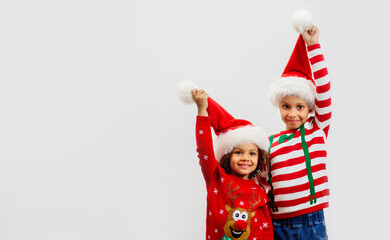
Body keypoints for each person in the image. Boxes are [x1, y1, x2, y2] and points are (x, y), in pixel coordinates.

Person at [179, 84, 274, 240]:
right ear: (227, 156)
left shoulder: (259, 191)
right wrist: (202, 110)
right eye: (238, 152)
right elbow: (204, 150)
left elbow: (266, 228)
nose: (245, 158)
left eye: (252, 153)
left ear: (259, 158)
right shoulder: (216, 178)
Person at [267, 24, 331, 239]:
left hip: (311, 221)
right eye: (286, 106)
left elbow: (323, 88)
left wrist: (312, 46)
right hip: (276, 223)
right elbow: (263, 184)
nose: (293, 113)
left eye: (300, 107)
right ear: (279, 106)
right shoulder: (269, 143)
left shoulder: (316, 129)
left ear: (311, 108)